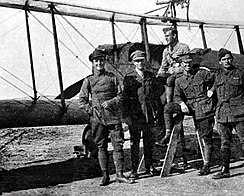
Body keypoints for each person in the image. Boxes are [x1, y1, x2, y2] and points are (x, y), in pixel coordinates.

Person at [78, 49, 134, 186]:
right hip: (97, 119)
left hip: (113, 117)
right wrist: (92, 111)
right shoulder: (88, 80)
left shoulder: (112, 78)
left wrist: (111, 102)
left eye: (102, 60)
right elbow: (82, 100)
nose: (99, 63)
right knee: (101, 146)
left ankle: (120, 174)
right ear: (93, 63)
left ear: (105, 61)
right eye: (96, 61)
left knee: (118, 145)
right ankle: (105, 176)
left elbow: (121, 96)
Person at [159, 52, 216, 175]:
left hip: (203, 108)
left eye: (189, 63)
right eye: (185, 63)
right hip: (189, 106)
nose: (187, 65)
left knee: (206, 137)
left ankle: (206, 165)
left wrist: (211, 90)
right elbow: (177, 95)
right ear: (182, 64)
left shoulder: (202, 74)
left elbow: (218, 79)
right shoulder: (179, 80)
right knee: (168, 107)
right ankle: (167, 134)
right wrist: (181, 103)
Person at [211, 48, 244, 183]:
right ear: (219, 62)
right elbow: (214, 95)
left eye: (229, 58)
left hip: (239, 113)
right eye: (224, 59)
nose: (227, 61)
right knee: (224, 142)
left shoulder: (241, 74)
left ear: (232, 59)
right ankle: (225, 170)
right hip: (222, 114)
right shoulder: (217, 76)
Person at [123, 50, 160, 179]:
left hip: (149, 114)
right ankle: (134, 170)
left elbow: (155, 95)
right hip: (136, 115)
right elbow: (125, 99)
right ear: (133, 63)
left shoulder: (150, 75)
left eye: (142, 60)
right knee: (135, 143)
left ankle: (149, 167)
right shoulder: (129, 77)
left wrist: (156, 112)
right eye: (137, 61)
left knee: (149, 142)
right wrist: (127, 116)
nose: (140, 63)